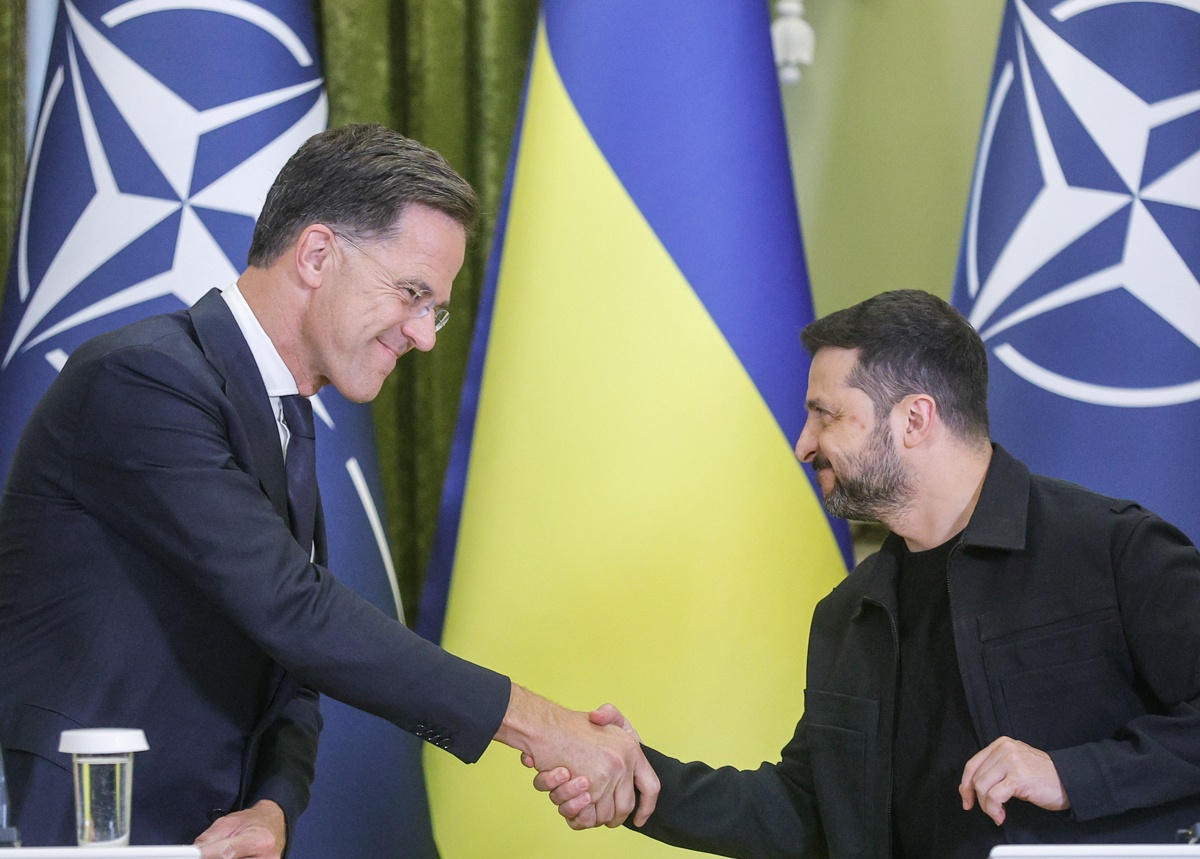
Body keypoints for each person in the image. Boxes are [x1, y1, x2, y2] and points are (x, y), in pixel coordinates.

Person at [0, 123, 658, 858]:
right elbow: (295, 610)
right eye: (412, 293)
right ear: (316, 254)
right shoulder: (142, 380)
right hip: (85, 829)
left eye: (433, 307)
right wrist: (541, 723)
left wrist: (273, 805)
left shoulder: (291, 420)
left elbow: (291, 670)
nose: (425, 334)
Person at [535, 289, 1200, 857]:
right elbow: (808, 808)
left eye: (825, 413)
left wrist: (1070, 773)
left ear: (914, 419)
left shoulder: (1114, 549)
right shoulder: (847, 613)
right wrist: (638, 779)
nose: (803, 443)